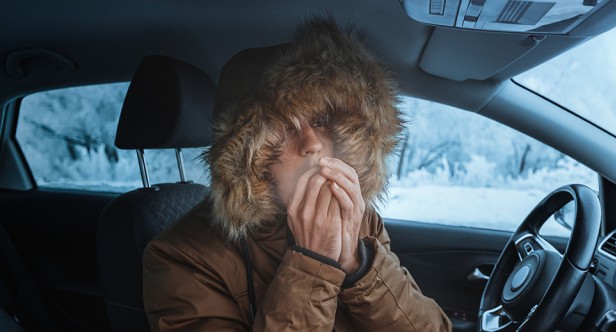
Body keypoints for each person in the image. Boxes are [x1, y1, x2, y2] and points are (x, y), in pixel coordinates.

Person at [142, 16, 452, 331]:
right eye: (285, 126)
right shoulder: (180, 257)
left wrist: (358, 266)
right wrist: (312, 265)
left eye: (320, 120)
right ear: (246, 153)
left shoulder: (359, 218)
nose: (312, 144)